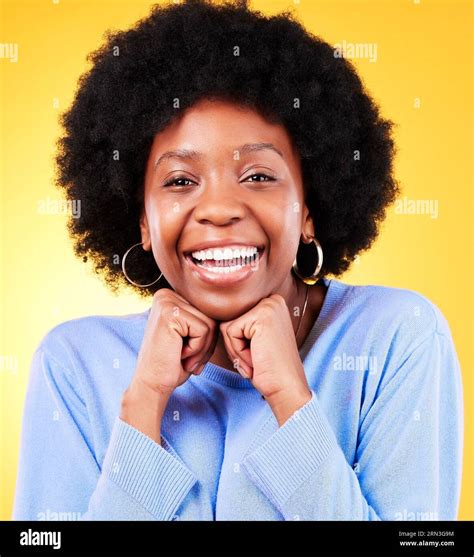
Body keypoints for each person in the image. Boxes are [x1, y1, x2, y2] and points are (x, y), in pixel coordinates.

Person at [13, 0, 463, 521]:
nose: (221, 210)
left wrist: (292, 400)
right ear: (142, 219)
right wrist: (142, 408)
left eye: (258, 176)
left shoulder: (397, 339)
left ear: (309, 208)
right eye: (180, 180)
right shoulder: (74, 364)